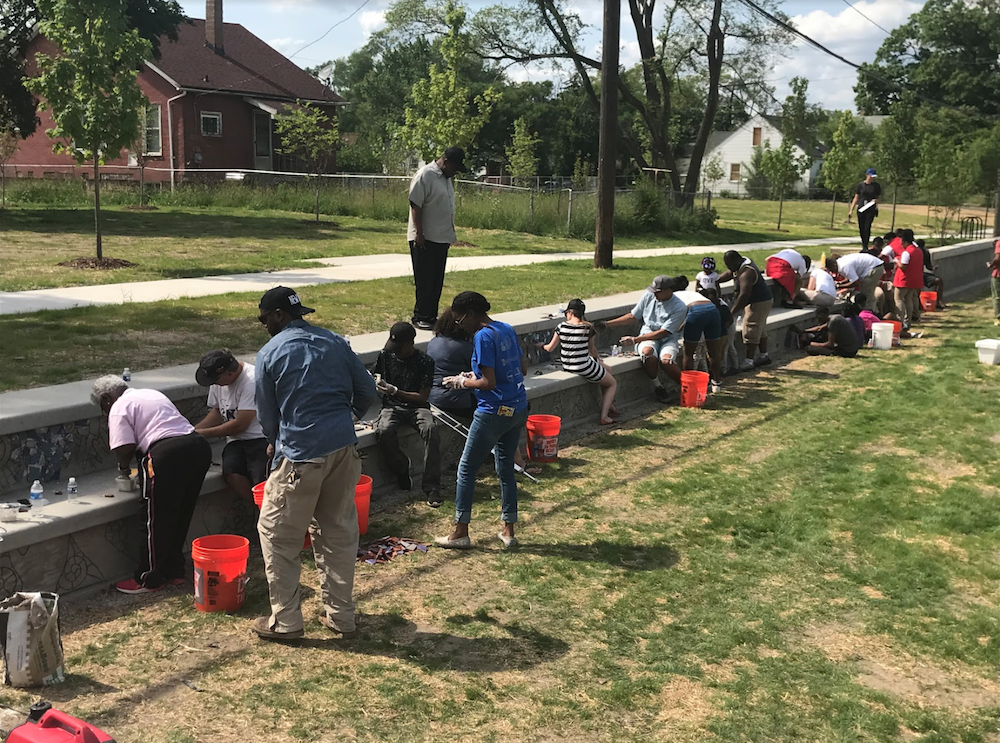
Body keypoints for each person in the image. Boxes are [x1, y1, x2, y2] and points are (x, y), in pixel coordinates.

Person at [252, 286, 377, 642]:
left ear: (278, 315)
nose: (264, 326)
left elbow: (267, 415)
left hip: (301, 454)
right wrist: (343, 417)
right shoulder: (335, 342)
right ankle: (341, 616)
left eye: (264, 319)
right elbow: (367, 392)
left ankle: (286, 622)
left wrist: (278, 444)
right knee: (337, 532)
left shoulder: (270, 353)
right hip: (343, 449)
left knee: (278, 535)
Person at [91, 375, 212, 594]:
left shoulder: (118, 406)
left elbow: (124, 446)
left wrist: (123, 468)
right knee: (180, 512)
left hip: (165, 454)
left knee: (153, 519)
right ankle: (174, 571)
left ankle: (148, 578)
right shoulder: (151, 393)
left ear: (107, 399)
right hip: (197, 446)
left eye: (102, 406)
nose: (105, 411)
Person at [437, 291, 528, 550]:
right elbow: (519, 370)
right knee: (505, 469)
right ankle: (508, 530)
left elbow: (488, 383)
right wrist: (473, 373)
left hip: (493, 412)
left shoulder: (483, 336)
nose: (459, 325)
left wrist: (462, 381)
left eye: (459, 320)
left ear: (471, 314)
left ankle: (460, 532)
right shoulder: (506, 329)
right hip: (518, 407)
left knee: (466, 469)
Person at [371, 322, 442, 508]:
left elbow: (422, 396)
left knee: (431, 430)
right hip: (391, 407)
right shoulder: (386, 355)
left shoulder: (425, 362)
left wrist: (395, 391)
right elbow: (374, 373)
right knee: (384, 430)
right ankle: (401, 468)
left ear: (410, 343)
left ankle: (432, 485)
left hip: (417, 406)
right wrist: (376, 381)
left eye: (399, 348)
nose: (395, 352)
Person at [193, 349, 269, 502]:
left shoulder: (252, 380)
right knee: (232, 474)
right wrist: (193, 431)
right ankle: (260, 512)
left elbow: (241, 424)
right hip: (236, 441)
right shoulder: (218, 383)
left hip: (261, 438)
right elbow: (217, 412)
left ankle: (268, 517)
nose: (214, 385)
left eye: (216, 380)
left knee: (260, 478)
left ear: (230, 373)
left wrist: (203, 434)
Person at [603, 275, 688, 403]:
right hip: (648, 332)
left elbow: (664, 332)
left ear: (667, 290)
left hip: (668, 337)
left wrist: (635, 340)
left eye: (657, 292)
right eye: (653, 291)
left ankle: (687, 388)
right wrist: (607, 324)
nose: (654, 294)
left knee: (666, 362)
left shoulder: (679, 307)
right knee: (647, 353)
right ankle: (658, 386)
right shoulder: (649, 295)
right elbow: (633, 316)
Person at [408, 147, 466, 330]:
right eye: (454, 168)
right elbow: (415, 203)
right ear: (446, 161)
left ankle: (431, 316)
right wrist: (419, 232)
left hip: (441, 238)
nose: (455, 172)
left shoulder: (446, 179)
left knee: (436, 280)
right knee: (425, 279)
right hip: (424, 237)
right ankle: (420, 316)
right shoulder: (426, 175)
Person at [541, 299, 618, 424]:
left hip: (568, 365)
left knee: (607, 369)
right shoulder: (588, 327)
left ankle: (609, 404)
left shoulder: (561, 327)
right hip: (583, 365)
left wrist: (540, 346)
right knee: (612, 383)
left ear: (570, 312)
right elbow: (592, 350)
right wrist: (597, 359)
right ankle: (604, 416)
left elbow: (549, 348)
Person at [718, 250, 772, 370]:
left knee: (751, 329)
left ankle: (749, 361)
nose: (729, 268)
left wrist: (731, 314)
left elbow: (744, 295)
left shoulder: (747, 272)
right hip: (763, 300)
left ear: (736, 261)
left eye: (730, 265)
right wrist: (716, 279)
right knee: (760, 329)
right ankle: (764, 356)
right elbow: (730, 273)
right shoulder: (740, 264)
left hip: (759, 302)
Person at [674, 286, 725, 391]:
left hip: (696, 312)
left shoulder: (673, 298)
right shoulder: (690, 294)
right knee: (714, 352)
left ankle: (688, 386)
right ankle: (717, 382)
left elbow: (687, 316)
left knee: (688, 353)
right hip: (713, 310)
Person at [891, 229, 923, 330]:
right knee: (909, 299)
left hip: (904, 280)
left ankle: (901, 320)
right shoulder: (918, 250)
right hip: (914, 280)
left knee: (898, 299)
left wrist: (897, 261)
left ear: (905, 242)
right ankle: (908, 321)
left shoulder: (907, 252)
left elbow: (903, 266)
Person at [848, 167, 881, 250]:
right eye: (871, 176)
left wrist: (876, 201)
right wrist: (851, 210)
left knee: (867, 227)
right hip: (861, 209)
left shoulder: (876, 186)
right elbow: (856, 197)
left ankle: (865, 245)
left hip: (871, 209)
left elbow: (879, 198)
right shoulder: (860, 185)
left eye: (874, 177)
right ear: (867, 175)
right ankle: (863, 243)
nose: (873, 178)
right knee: (861, 227)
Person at [916, 239, 946, 310]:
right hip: (916, 275)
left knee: (938, 281)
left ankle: (938, 302)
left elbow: (928, 266)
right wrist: (932, 268)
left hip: (920, 274)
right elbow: (929, 267)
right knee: (939, 281)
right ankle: (919, 304)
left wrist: (933, 268)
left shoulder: (925, 252)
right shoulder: (918, 252)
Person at [990, 236, 1000, 326]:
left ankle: (998, 318)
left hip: (998, 274)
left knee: (997, 297)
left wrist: (991, 265)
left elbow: (997, 258)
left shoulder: (999, 243)